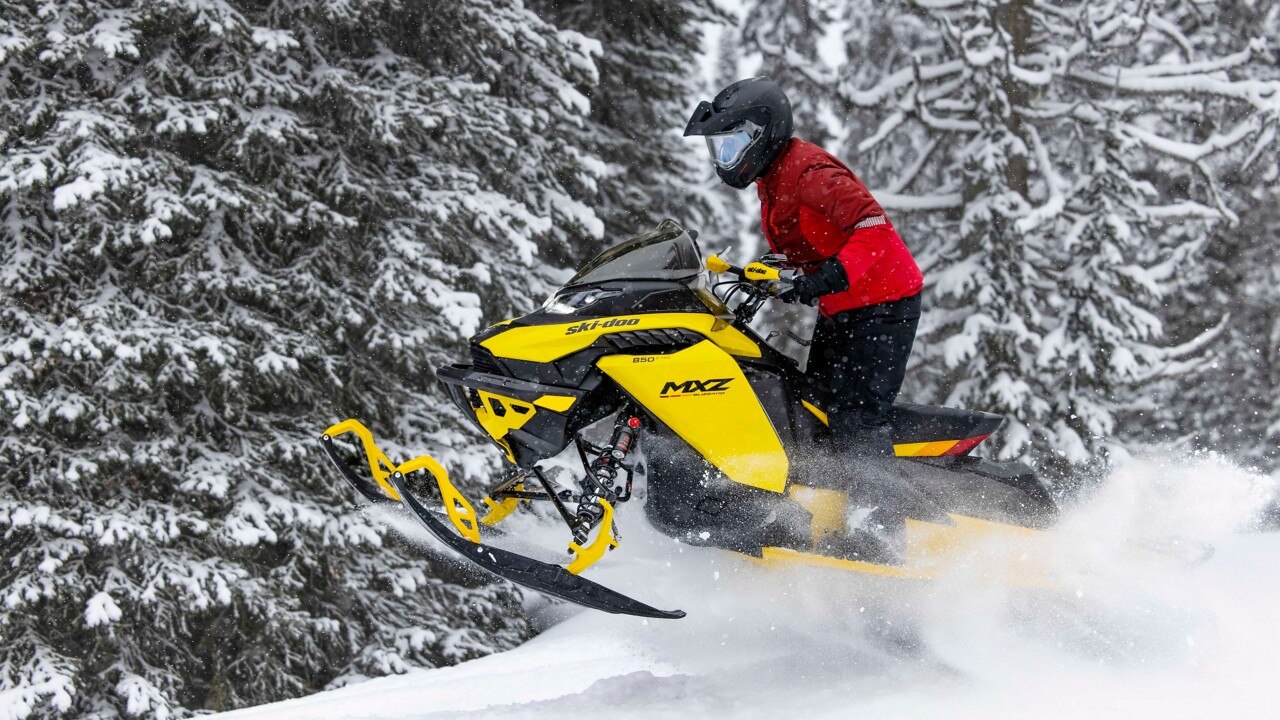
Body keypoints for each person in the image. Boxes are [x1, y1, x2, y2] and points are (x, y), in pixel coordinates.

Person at [684, 77, 924, 456]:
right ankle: (832, 505)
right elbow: (813, 237)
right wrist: (769, 272)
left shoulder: (810, 173)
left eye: (731, 146)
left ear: (762, 134)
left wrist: (829, 277)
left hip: (884, 306)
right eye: (720, 149)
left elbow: (873, 227)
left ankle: (882, 514)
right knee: (815, 411)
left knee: (854, 419)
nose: (725, 158)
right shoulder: (775, 175)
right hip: (845, 305)